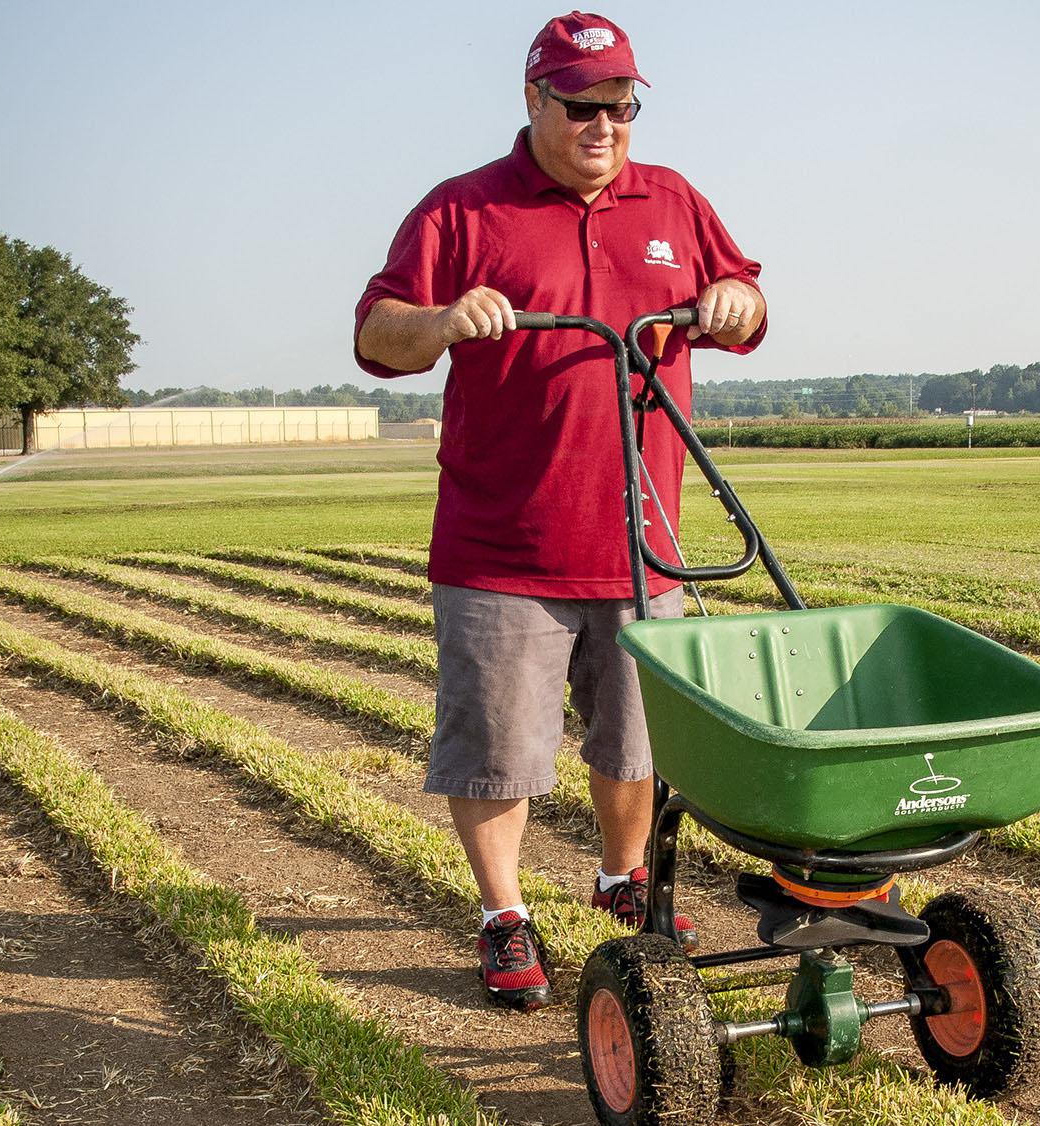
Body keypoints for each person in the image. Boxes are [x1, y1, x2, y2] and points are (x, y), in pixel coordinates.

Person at [353, 11, 766, 1011]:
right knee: (497, 748)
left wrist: (729, 305)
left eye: (622, 103)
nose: (604, 122)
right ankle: (504, 914)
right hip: (502, 546)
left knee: (637, 743)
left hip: (641, 548)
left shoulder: (671, 200)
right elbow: (377, 332)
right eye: (582, 104)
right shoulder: (462, 212)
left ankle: (623, 875)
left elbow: (748, 300)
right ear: (534, 100)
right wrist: (448, 319)